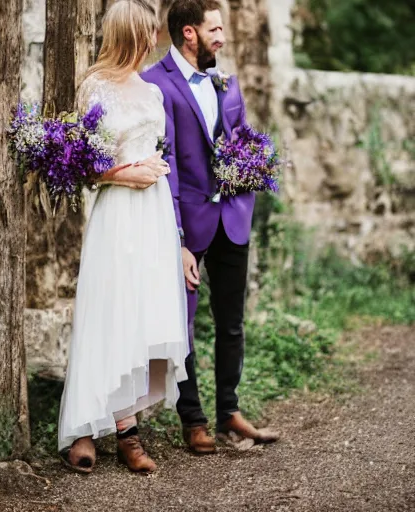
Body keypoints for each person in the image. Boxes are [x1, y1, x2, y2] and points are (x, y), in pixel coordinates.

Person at [141, 0, 280, 453]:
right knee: (181, 324)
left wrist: (251, 174)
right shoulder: (154, 85)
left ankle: (229, 412)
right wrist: (177, 237)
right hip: (185, 224)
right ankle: (193, 419)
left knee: (232, 322)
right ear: (188, 33)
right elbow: (169, 167)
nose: (222, 37)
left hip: (233, 217)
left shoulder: (226, 81)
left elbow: (240, 139)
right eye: (214, 29)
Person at [57, 0, 190, 474]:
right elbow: (82, 167)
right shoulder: (95, 86)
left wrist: (176, 234)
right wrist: (121, 174)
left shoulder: (151, 91)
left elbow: (161, 158)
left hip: (151, 215)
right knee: (107, 310)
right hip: (116, 211)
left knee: (140, 312)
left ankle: (127, 428)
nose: (155, 39)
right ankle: (86, 428)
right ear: (129, 34)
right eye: (147, 31)